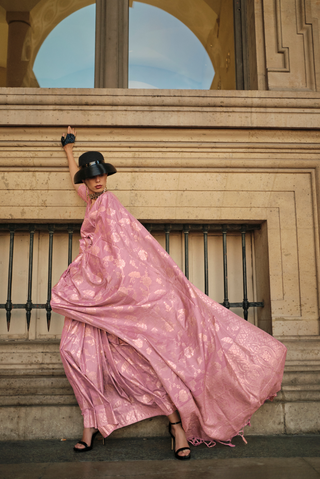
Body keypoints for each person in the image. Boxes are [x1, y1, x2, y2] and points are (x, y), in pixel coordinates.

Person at [51, 126, 287, 460]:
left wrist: (109, 289)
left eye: (101, 174)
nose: (98, 180)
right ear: (86, 181)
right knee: (75, 353)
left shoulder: (109, 205)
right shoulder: (91, 200)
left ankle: (176, 426)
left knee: (145, 362)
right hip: (90, 296)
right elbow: (75, 184)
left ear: (106, 176)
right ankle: (91, 424)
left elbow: (125, 253)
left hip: (105, 294)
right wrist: (69, 151)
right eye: (92, 177)